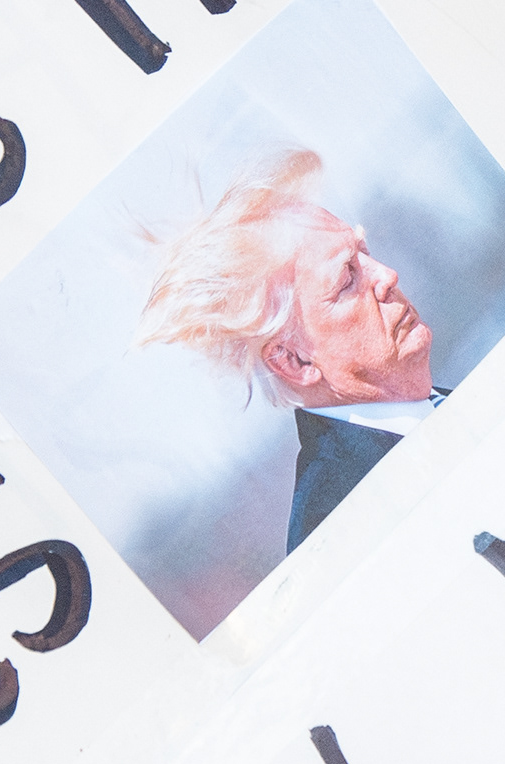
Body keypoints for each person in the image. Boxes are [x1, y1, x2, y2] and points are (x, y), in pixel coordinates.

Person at [137, 148, 442, 548]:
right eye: (347, 278)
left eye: (363, 253)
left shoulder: (454, 408)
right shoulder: (338, 532)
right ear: (295, 361)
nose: (387, 275)